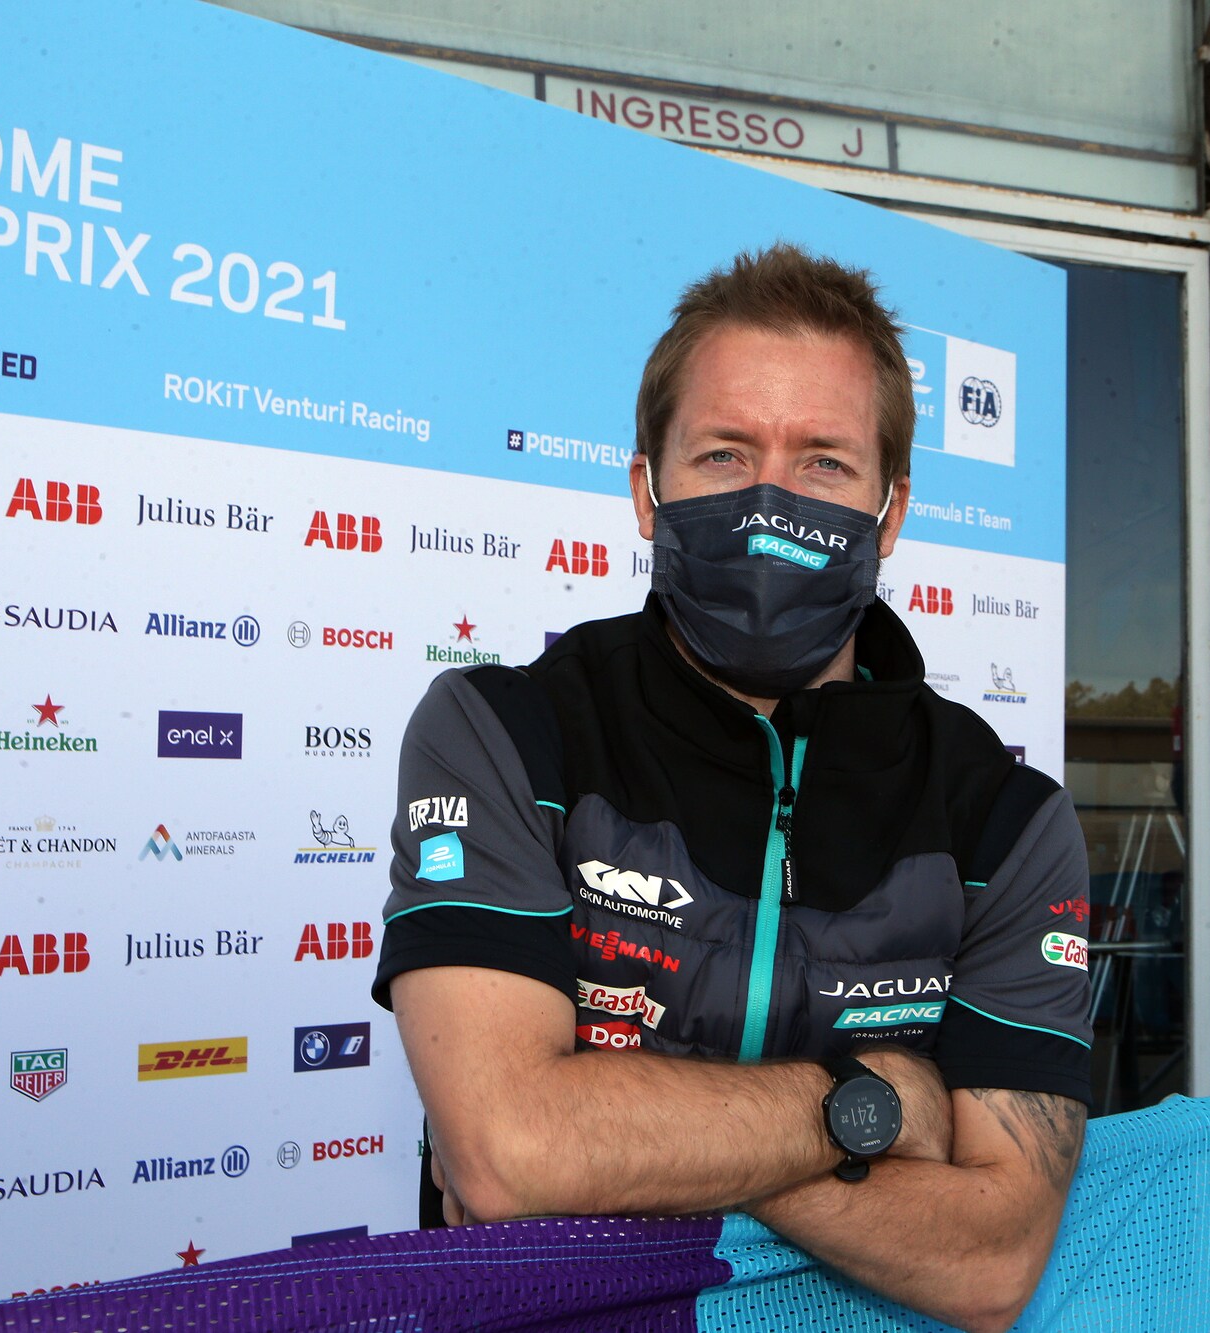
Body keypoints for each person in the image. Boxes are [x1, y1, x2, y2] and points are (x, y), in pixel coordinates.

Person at [374, 243, 1091, 1333]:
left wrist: (625, 1134)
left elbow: (992, 1259)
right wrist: (872, 1103)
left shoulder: (1005, 818)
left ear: (891, 512)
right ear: (645, 491)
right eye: (723, 454)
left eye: (823, 463)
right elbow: (512, 1152)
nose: (770, 505)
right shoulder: (506, 731)